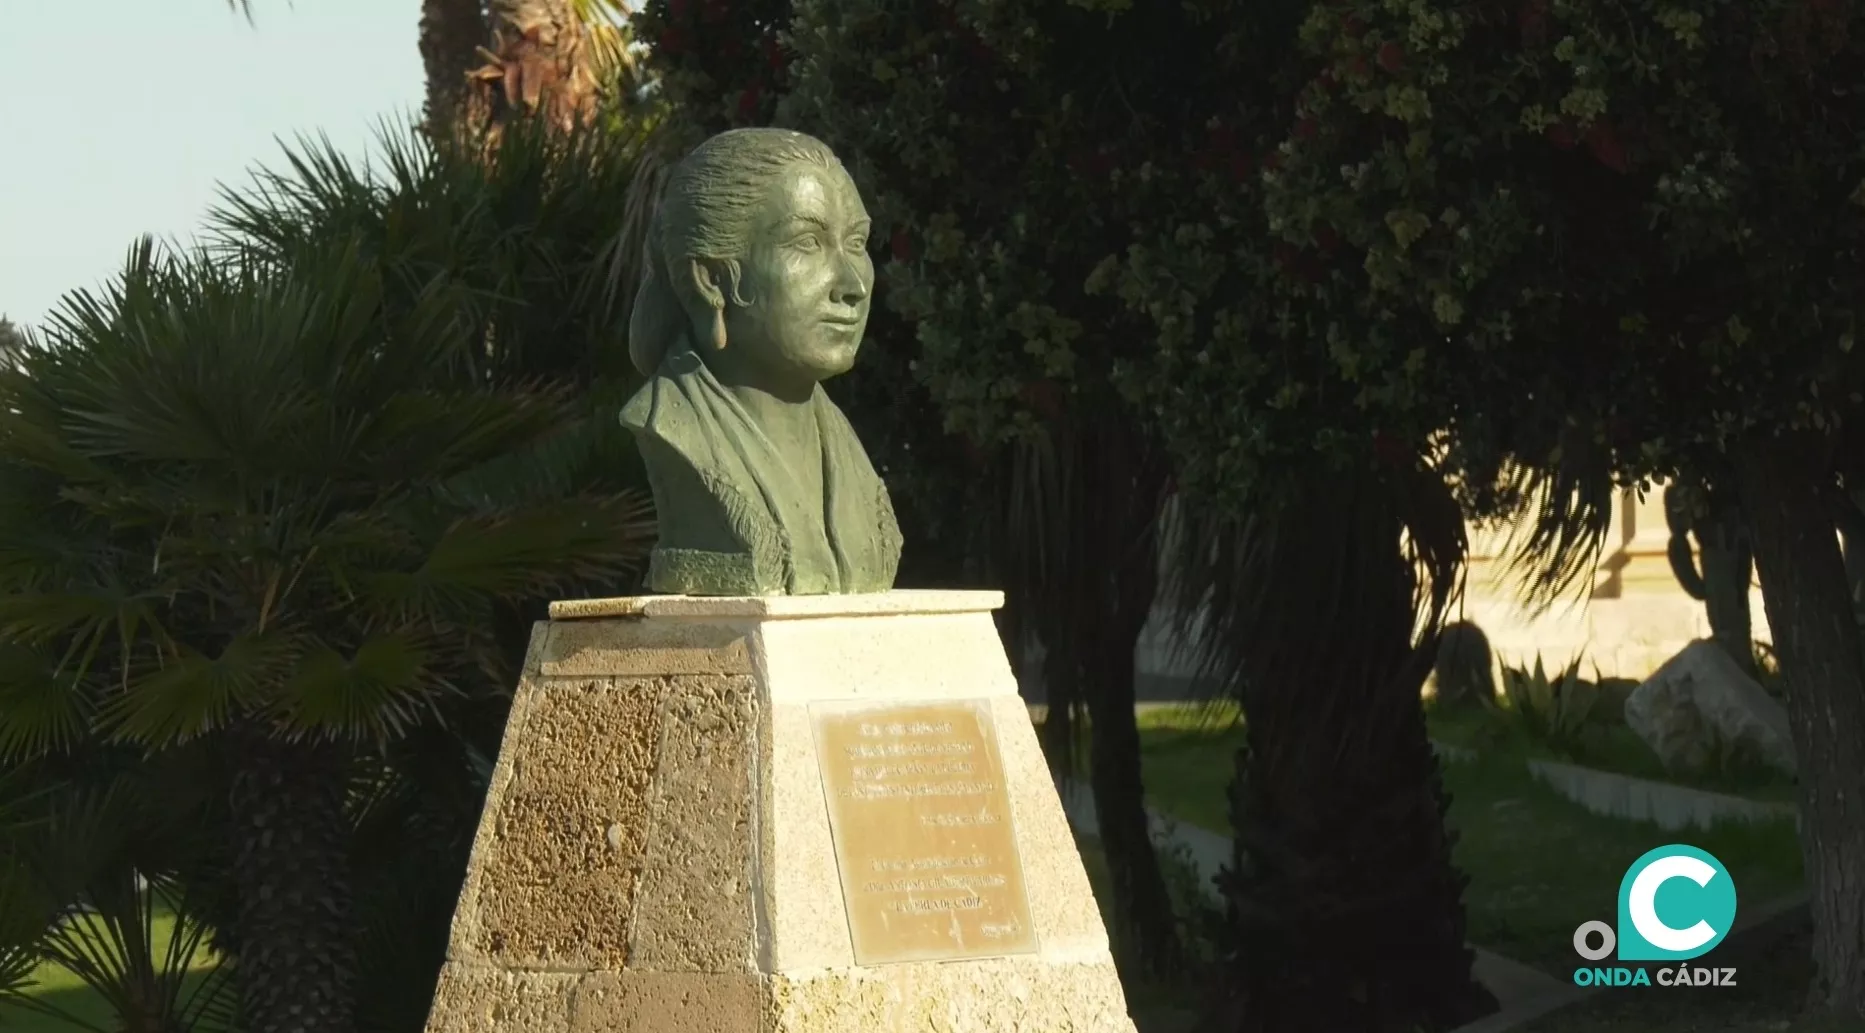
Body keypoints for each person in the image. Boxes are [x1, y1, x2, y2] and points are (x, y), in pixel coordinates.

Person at [621, 128, 903, 596]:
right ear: (712, 279)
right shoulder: (671, 428)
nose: (852, 284)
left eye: (856, 243)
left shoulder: (846, 451)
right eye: (807, 243)